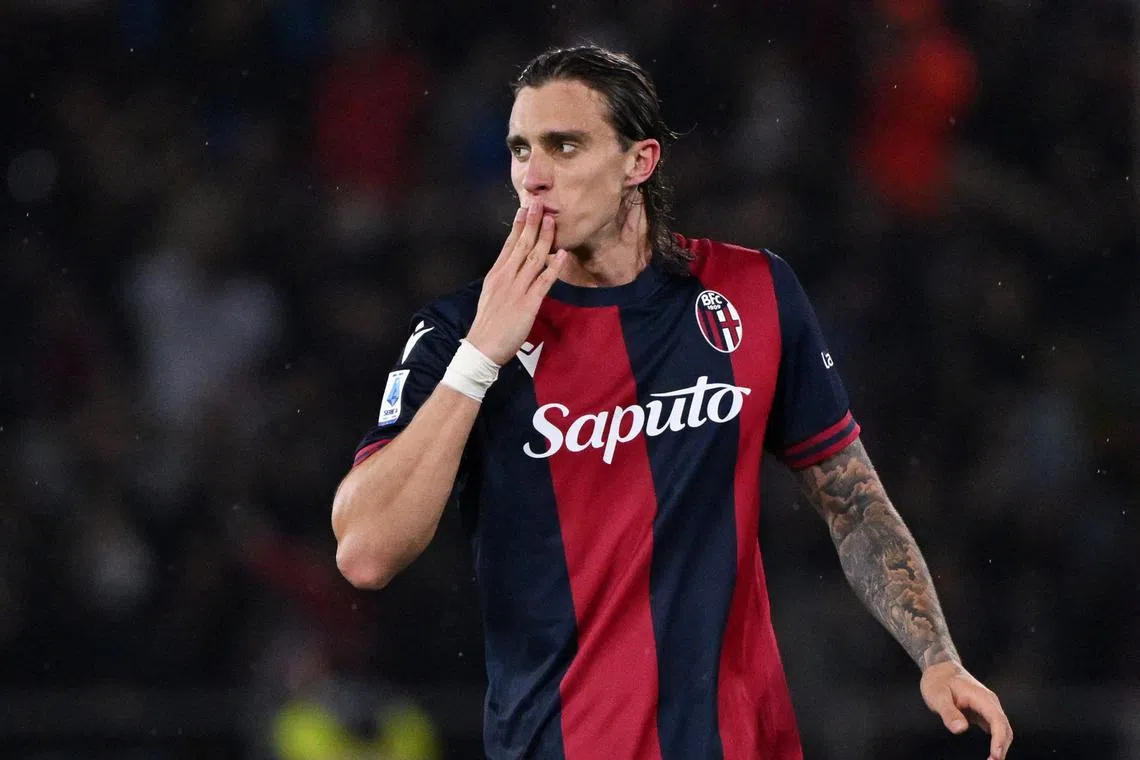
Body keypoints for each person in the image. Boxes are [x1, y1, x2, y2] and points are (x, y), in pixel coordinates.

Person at [331, 45, 1013, 760]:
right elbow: (365, 554)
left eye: (565, 147)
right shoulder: (458, 332)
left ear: (640, 162)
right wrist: (477, 361)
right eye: (520, 149)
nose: (532, 177)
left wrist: (936, 653)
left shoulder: (753, 294)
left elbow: (853, 501)